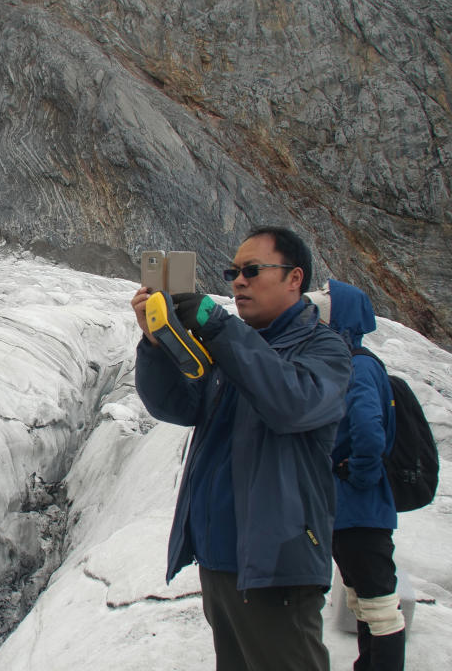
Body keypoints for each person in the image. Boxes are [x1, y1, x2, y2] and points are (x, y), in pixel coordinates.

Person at [131, 227, 352, 671]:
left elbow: (290, 404)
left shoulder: (323, 348)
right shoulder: (235, 346)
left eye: (252, 270)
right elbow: (177, 406)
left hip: (276, 565)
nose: (238, 281)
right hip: (222, 561)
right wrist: (156, 345)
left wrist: (218, 325)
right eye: (234, 271)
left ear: (294, 278)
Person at [306, 280, 405, 670]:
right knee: (362, 598)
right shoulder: (350, 362)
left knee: (379, 605)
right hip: (349, 506)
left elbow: (367, 430)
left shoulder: (358, 366)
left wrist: (359, 476)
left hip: (358, 507)